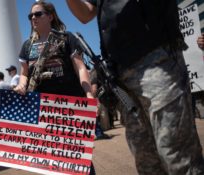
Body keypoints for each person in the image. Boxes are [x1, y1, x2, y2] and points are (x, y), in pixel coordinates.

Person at [66, 0, 204, 174]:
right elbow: (85, 14)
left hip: (156, 58)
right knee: (146, 160)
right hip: (120, 74)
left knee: (177, 155)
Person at [14, 1, 95, 174]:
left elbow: (80, 68)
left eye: (38, 14)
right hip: (43, 109)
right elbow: (24, 73)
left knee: (79, 159)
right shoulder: (27, 46)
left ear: (50, 16)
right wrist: (22, 84)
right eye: (30, 16)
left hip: (70, 105)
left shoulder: (67, 38)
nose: (33, 18)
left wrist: (89, 95)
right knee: (54, 162)